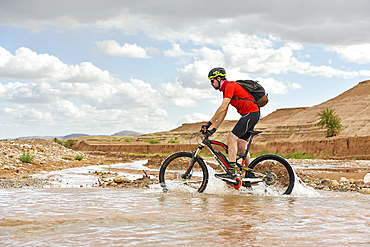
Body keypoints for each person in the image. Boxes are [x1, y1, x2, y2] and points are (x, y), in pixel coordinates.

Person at [200, 67, 260, 183]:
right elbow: (224, 111)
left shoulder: (229, 86)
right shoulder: (226, 89)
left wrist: (209, 123)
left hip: (251, 113)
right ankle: (251, 175)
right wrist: (214, 129)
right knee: (241, 145)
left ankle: (231, 172)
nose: (211, 84)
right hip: (252, 113)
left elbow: (222, 107)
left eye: (212, 81)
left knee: (231, 138)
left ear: (218, 78)